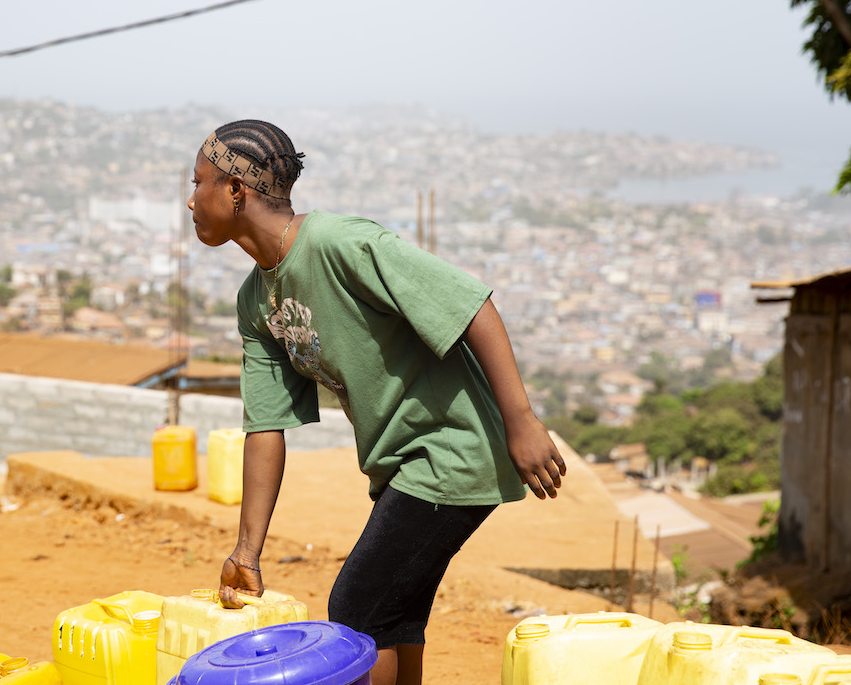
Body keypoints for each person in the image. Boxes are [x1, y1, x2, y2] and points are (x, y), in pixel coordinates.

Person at [187, 119, 567, 685]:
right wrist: (248, 550)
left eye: (198, 183)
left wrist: (522, 421)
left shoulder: (340, 244)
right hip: (401, 465)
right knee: (393, 616)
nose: (190, 200)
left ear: (235, 192)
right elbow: (266, 426)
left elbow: (471, 305)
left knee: (358, 608)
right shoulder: (256, 300)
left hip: (450, 449)